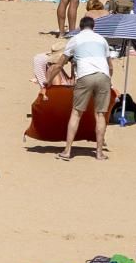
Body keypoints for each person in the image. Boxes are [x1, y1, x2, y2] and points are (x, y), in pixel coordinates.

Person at [48, 15, 113, 160]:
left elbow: (59, 64)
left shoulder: (75, 39)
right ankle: (99, 153)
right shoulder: (102, 40)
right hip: (103, 76)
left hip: (85, 75)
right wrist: (109, 81)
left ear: (80, 27)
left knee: (76, 113)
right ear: (93, 27)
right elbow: (110, 66)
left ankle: (67, 151)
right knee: (100, 115)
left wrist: (49, 81)